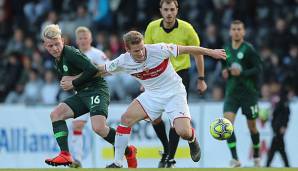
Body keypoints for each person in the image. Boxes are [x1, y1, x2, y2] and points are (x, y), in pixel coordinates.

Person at [93, 31, 226, 168]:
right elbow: (100, 70)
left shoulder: (159, 49)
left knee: (183, 132)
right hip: (152, 95)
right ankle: (118, 162)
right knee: (126, 119)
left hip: (174, 93)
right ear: (127, 50)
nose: (141, 53)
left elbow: (188, 49)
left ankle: (192, 139)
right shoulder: (123, 60)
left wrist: (211, 52)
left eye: (142, 48)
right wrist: (76, 79)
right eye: (136, 50)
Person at [42, 24, 137, 168]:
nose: (54, 48)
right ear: (45, 46)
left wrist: (73, 81)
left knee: (98, 128)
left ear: (62, 40)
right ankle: (65, 154)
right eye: (50, 46)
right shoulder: (58, 59)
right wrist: (70, 81)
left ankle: (129, 151)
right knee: (56, 114)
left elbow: (92, 69)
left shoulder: (71, 53)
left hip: (97, 90)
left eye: (57, 44)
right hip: (82, 93)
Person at [144, 0, 206, 167]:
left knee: (175, 119)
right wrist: (144, 80)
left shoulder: (187, 28)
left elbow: (198, 54)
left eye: (172, 9)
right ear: (161, 10)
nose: (169, 13)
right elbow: (146, 55)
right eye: (166, 9)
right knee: (154, 117)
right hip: (157, 77)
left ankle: (169, 158)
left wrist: (201, 79)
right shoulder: (152, 27)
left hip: (179, 76)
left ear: (177, 10)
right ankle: (166, 149)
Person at [221, 20, 262, 167]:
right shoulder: (225, 49)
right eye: (234, 29)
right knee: (227, 125)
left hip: (248, 94)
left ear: (243, 32)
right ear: (230, 31)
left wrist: (242, 72)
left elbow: (258, 69)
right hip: (231, 94)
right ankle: (235, 159)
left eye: (239, 29)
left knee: (252, 127)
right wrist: (225, 72)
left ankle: (256, 155)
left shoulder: (249, 49)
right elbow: (224, 68)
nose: (236, 31)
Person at [69, 26, 108, 168]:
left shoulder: (97, 54)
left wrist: (94, 72)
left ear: (91, 39)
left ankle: (122, 146)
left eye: (86, 38)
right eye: (81, 38)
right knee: (77, 125)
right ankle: (77, 160)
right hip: (81, 95)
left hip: (96, 93)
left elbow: (109, 70)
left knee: (99, 128)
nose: (83, 40)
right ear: (77, 41)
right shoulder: (74, 55)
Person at [266, 86, 291, 167]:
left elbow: (285, 115)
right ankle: (286, 165)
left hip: (279, 127)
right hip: (277, 126)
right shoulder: (281, 100)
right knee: (280, 147)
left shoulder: (283, 101)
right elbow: (280, 114)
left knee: (275, 146)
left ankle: (267, 165)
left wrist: (284, 125)